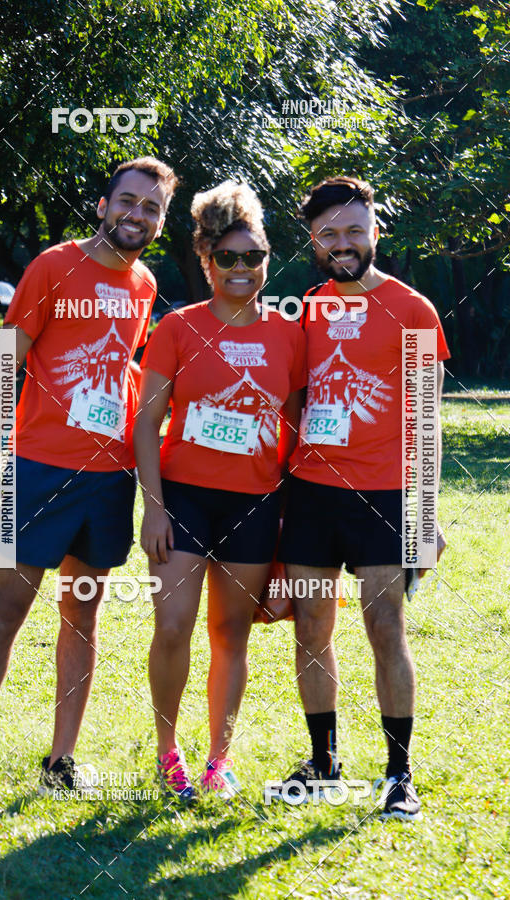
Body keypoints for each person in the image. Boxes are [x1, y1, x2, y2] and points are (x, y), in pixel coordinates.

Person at [0, 156, 178, 811]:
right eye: (127, 201)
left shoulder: (145, 284)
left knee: (82, 617)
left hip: (108, 481)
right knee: (4, 616)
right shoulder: (53, 266)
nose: (137, 215)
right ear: (104, 205)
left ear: (160, 220)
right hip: (38, 471)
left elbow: (124, 368)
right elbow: (3, 361)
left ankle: (62, 759)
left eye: (150, 207)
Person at [278, 176, 450, 820]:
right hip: (312, 494)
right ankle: (323, 765)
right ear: (314, 242)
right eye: (329, 234)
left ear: (375, 233)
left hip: (383, 495)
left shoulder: (413, 311)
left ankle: (399, 774)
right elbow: (292, 400)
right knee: (312, 628)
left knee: (385, 628)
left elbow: (427, 421)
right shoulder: (308, 308)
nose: (342, 243)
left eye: (354, 230)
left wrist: (425, 519)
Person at [134, 182, 306, 800]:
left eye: (252, 257)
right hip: (184, 499)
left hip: (255, 505)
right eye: (227, 258)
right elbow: (147, 425)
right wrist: (153, 509)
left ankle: (218, 759)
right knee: (174, 626)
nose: (240, 269)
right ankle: (167, 751)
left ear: (266, 260)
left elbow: (291, 429)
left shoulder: (291, 335)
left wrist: (285, 522)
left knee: (231, 634)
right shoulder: (178, 328)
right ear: (206, 261)